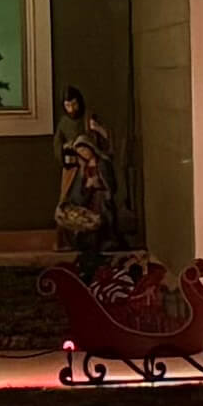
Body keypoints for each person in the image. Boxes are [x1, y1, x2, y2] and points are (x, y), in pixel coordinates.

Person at [50, 83, 128, 274]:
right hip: (73, 168)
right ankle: (71, 239)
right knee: (71, 202)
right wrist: (68, 150)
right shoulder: (63, 123)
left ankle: (107, 239)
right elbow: (57, 144)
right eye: (67, 105)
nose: (71, 109)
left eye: (74, 104)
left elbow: (103, 141)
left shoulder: (89, 117)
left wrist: (94, 138)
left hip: (93, 172)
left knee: (102, 209)